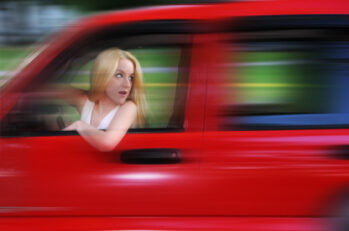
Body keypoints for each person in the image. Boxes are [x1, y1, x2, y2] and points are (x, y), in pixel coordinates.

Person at [62, 48, 146, 152]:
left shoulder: (129, 107)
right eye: (119, 75)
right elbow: (48, 90)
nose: (127, 84)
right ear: (102, 75)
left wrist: (79, 126)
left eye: (131, 78)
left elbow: (107, 143)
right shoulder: (85, 100)